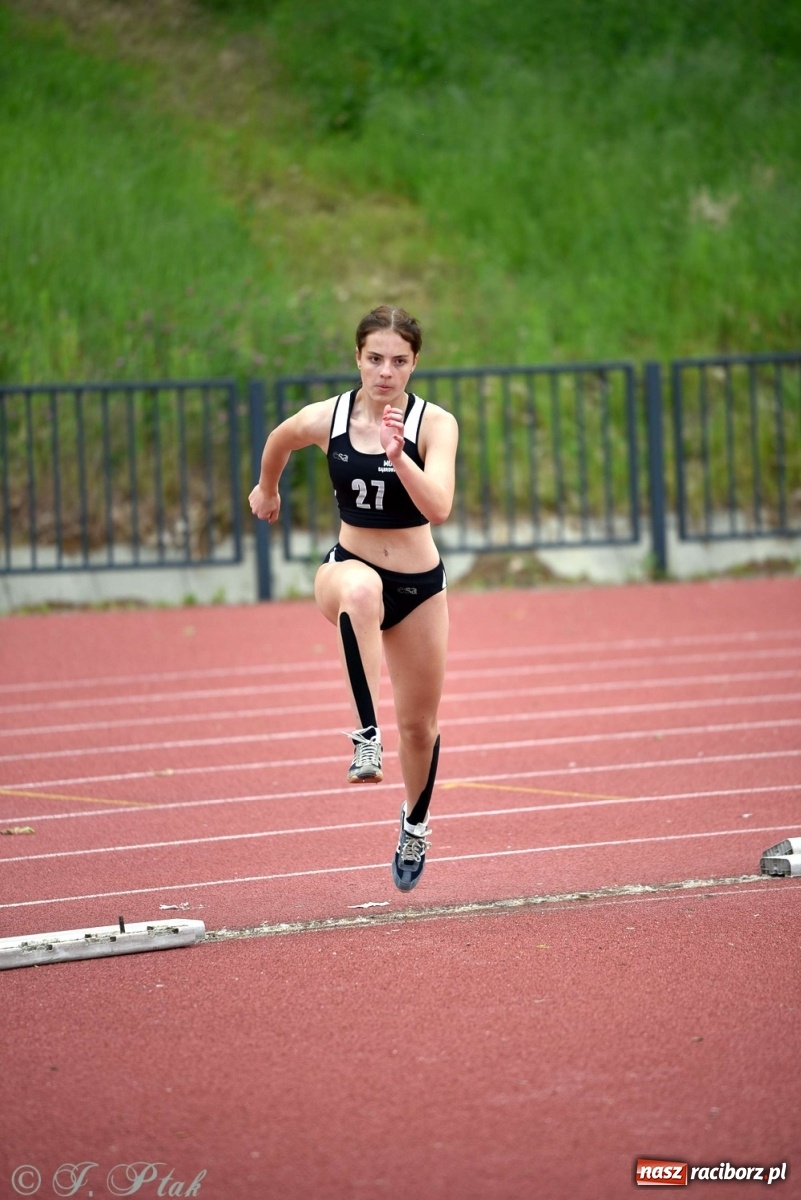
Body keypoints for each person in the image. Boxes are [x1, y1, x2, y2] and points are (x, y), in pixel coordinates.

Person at [249, 305, 458, 891]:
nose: (385, 371)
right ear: (357, 359)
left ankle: (415, 823)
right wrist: (267, 489)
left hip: (419, 586)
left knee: (420, 727)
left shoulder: (434, 425)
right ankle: (366, 737)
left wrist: (398, 458)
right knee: (362, 587)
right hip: (346, 570)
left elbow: (438, 506)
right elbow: (279, 439)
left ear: (415, 362)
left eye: (398, 360)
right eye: (374, 358)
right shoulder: (329, 416)